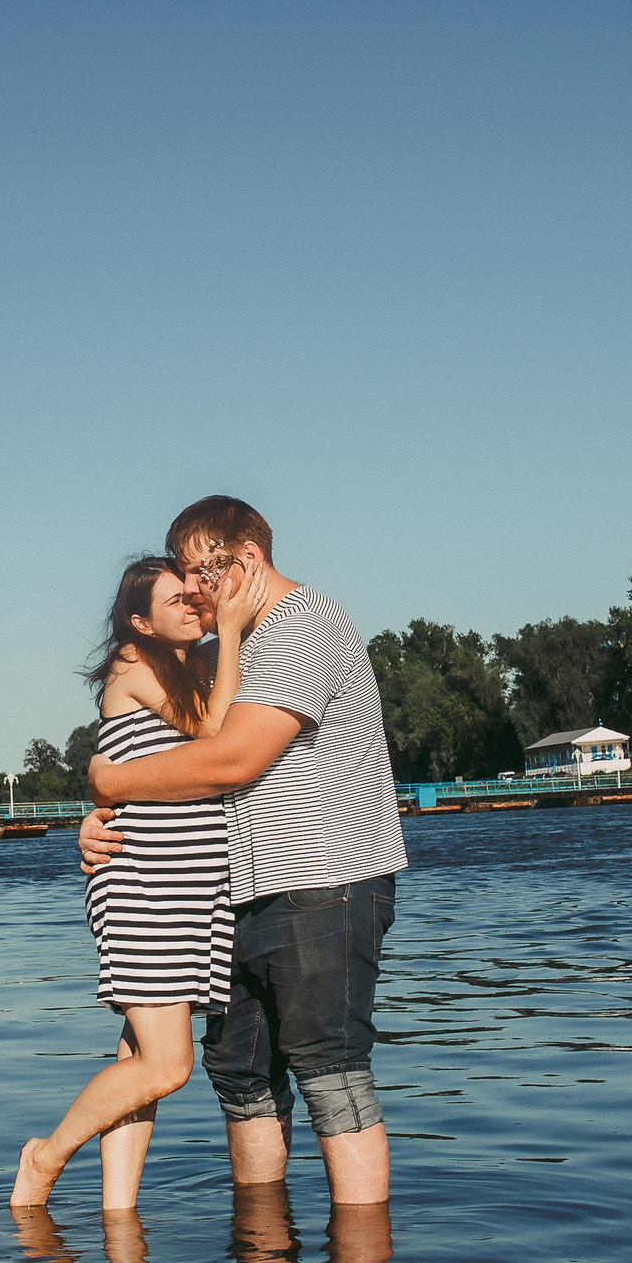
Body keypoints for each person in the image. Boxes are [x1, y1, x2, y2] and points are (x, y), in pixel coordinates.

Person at [79, 496, 407, 1205]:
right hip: (238, 894)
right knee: (242, 1078)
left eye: (200, 573)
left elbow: (228, 759)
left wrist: (110, 780)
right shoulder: (229, 646)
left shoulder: (300, 627)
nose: (193, 590)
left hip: (323, 882)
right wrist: (102, 808)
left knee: (330, 1073)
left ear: (247, 560)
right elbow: (162, 741)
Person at [10, 556, 260, 1209]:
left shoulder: (190, 664)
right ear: (140, 620)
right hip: (145, 884)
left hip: (192, 891)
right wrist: (229, 631)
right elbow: (211, 728)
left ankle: (119, 1214)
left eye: (193, 594)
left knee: (138, 1060)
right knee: (168, 1064)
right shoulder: (133, 660)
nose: (191, 603)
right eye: (174, 598)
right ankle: (45, 1156)